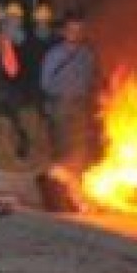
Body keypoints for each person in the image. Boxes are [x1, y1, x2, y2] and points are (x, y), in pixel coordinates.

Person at [40, 11, 98, 175]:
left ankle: (79, 179)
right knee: (63, 144)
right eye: (72, 30)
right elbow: (45, 82)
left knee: (80, 144)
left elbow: (89, 76)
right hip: (61, 105)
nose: (76, 34)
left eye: (79, 30)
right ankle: (64, 181)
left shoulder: (86, 54)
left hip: (80, 104)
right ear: (64, 32)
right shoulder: (55, 55)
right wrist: (61, 94)